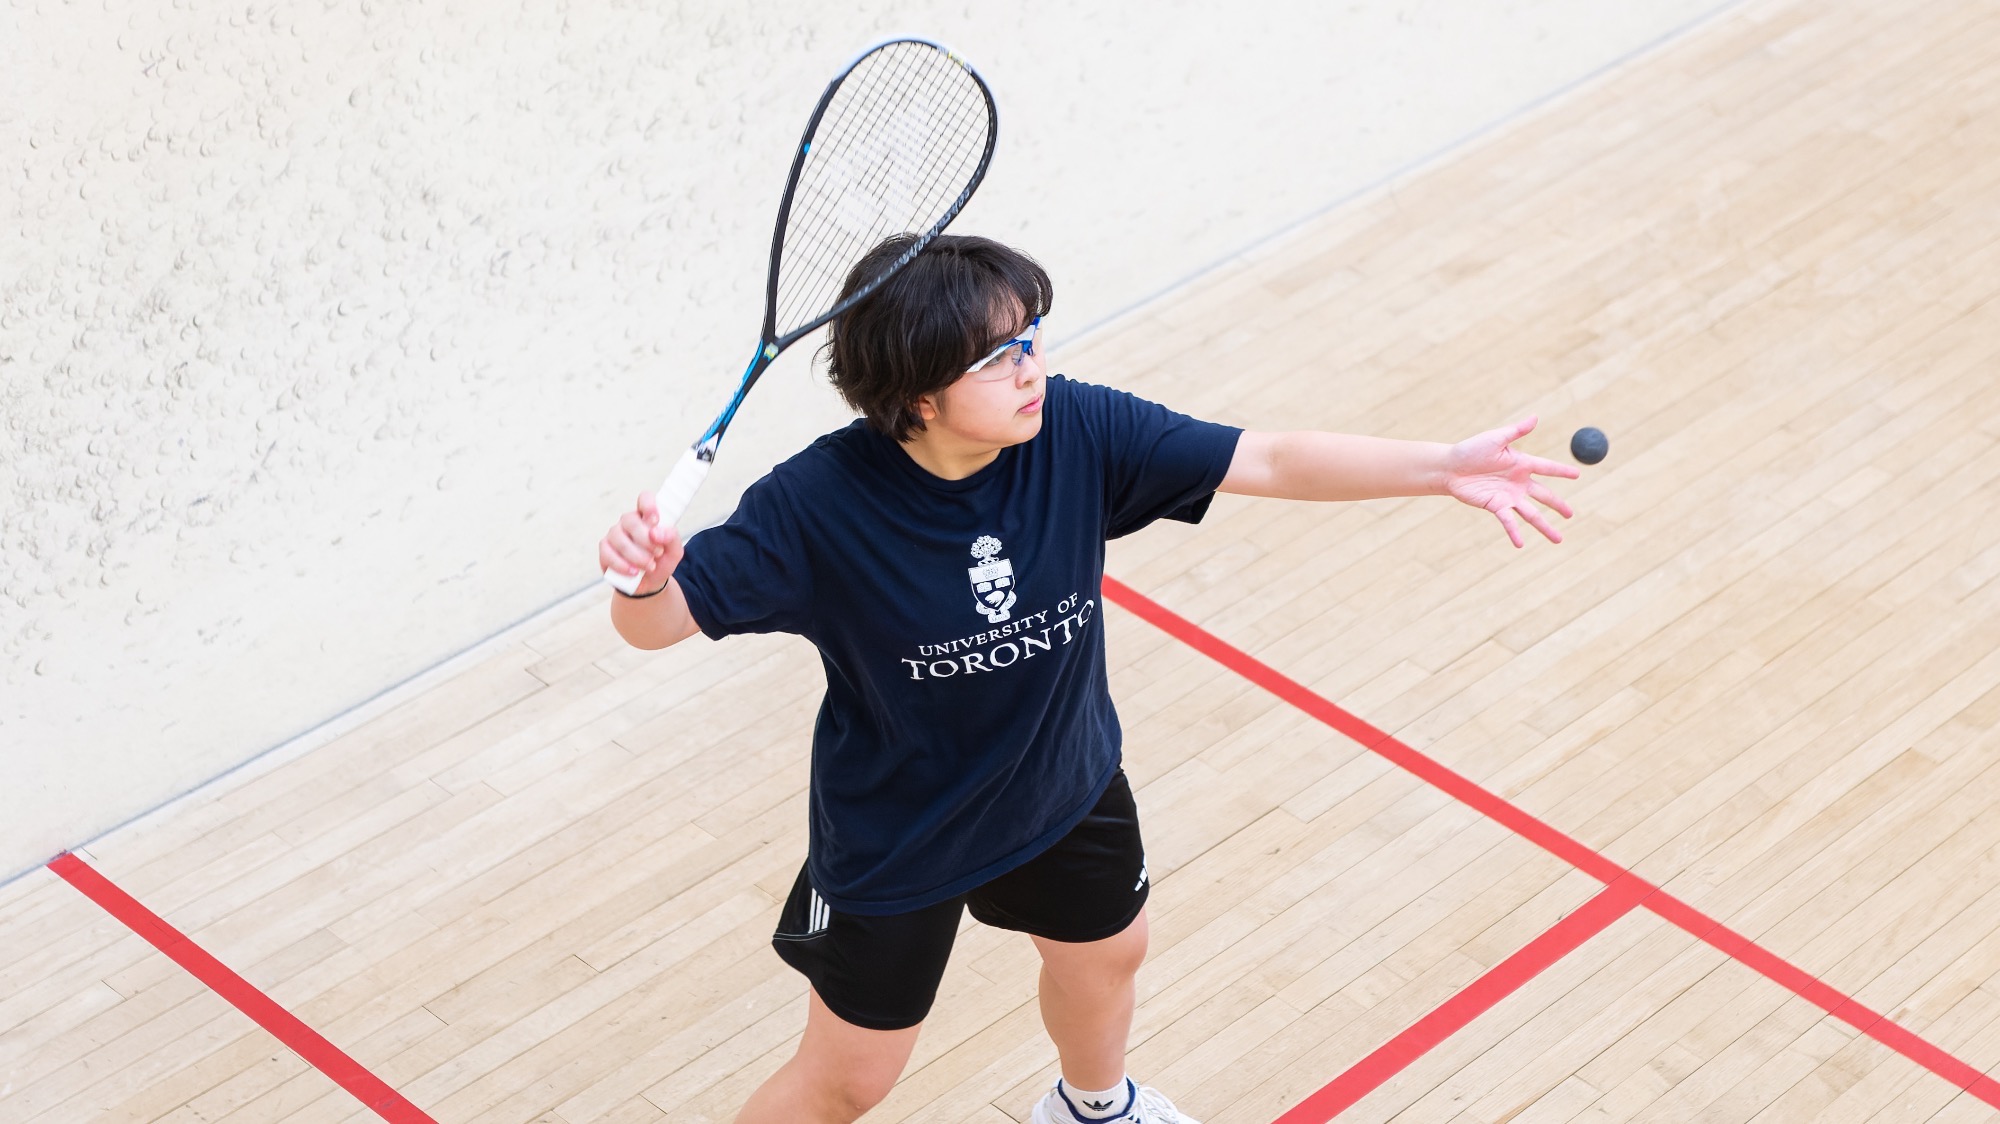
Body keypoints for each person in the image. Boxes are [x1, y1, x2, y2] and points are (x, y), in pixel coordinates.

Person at [597, 234, 1577, 1124]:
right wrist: (646, 580)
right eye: (1000, 354)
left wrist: (1439, 465)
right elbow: (661, 622)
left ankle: (1090, 1108)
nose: (1034, 367)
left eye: (1032, 335)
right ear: (917, 393)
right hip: (902, 828)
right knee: (852, 1076)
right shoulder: (817, 504)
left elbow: (1267, 457)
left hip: (1059, 780)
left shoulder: (1075, 432)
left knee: (1108, 951)